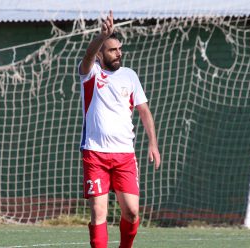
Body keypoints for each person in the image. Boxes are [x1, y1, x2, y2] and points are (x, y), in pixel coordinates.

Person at [77, 10, 161, 248]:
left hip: (125, 155)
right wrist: (101, 36)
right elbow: (87, 56)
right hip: (95, 154)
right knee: (98, 214)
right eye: (112, 49)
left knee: (133, 212)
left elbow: (144, 111)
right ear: (101, 54)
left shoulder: (130, 76)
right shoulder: (90, 73)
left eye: (119, 49)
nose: (119, 53)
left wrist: (153, 144)